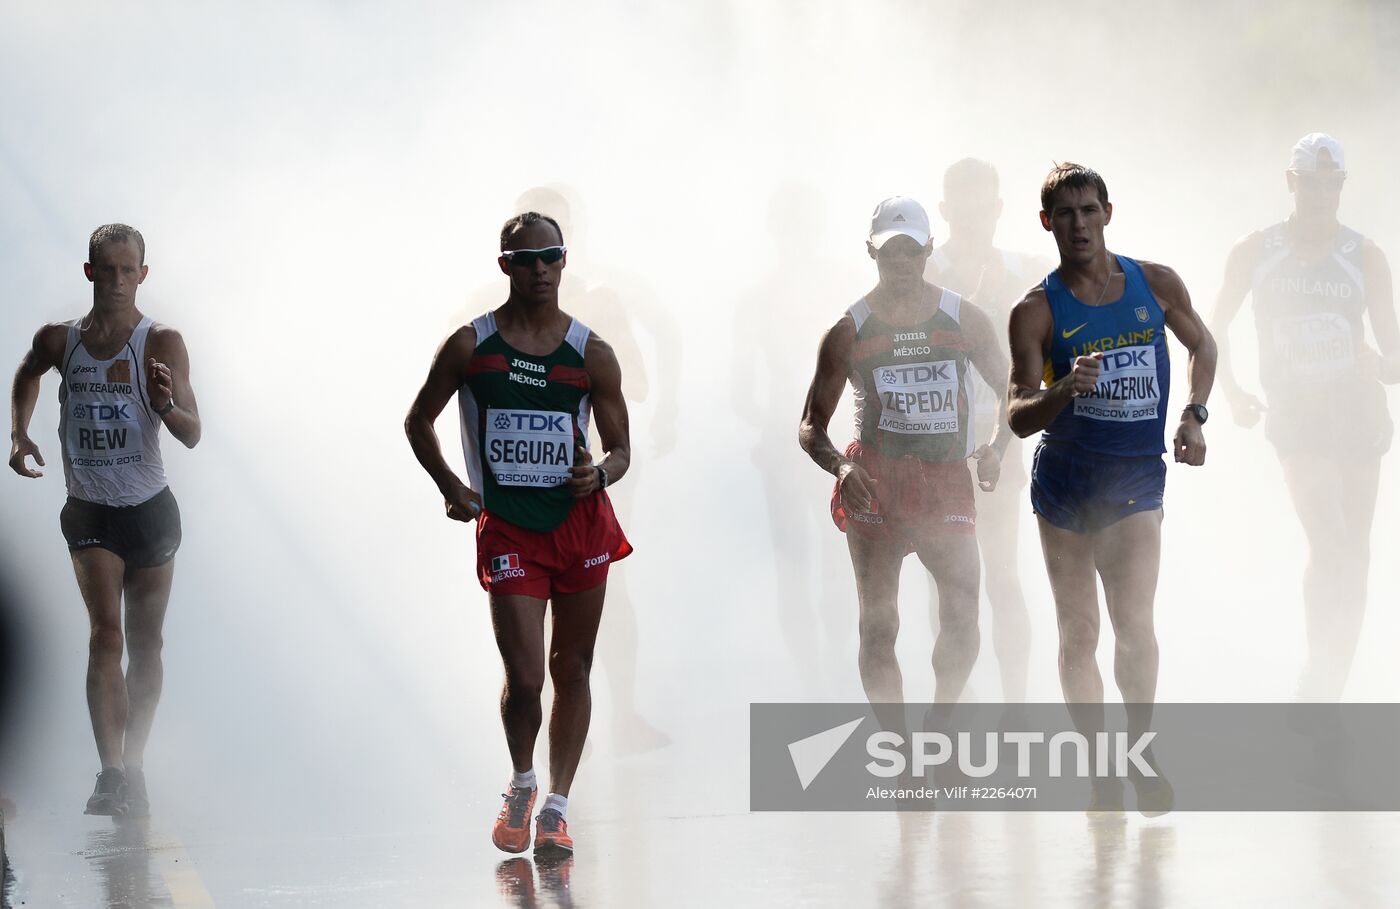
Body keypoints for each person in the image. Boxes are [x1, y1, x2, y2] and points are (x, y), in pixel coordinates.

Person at [405, 212, 632, 856]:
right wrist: (452, 486)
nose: (539, 269)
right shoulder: (469, 346)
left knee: (573, 668)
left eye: (550, 256)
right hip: (509, 530)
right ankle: (523, 780)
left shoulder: (591, 352)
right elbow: (418, 420)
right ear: (505, 265)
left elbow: (620, 449)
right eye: (526, 259)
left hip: (580, 527)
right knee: (528, 677)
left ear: (564, 262)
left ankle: (557, 807)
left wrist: (600, 474)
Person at [1006, 163, 1216, 814]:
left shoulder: (1155, 283)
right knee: (1079, 631)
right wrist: (1064, 388)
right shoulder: (1035, 310)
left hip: (1133, 478)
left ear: (1108, 213)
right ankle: (1100, 767)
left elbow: (1203, 344)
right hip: (1066, 484)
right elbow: (1017, 414)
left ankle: (1140, 750)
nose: (1079, 225)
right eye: (1066, 214)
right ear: (1047, 223)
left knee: (1134, 624)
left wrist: (1194, 414)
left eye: (1089, 210)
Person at [8, 224, 201, 817]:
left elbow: (192, 433)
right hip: (91, 510)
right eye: (107, 270)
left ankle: (135, 764)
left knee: (145, 644)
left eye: (128, 271)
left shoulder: (160, 341)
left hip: (150, 512)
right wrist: (18, 433)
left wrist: (165, 404)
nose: (118, 282)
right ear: (89, 272)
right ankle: (110, 772)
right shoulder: (60, 339)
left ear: (143, 275)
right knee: (105, 637)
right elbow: (28, 371)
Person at [799, 196, 1011, 707]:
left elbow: (1014, 392)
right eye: (890, 251)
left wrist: (997, 448)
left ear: (929, 250)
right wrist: (842, 467)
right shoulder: (848, 329)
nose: (901, 263)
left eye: (911, 251)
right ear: (871, 251)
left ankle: (940, 725)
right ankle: (898, 748)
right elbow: (810, 425)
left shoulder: (963, 319)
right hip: (875, 484)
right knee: (879, 624)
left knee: (962, 614)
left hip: (945, 480)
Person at [1211, 133, 1399, 701]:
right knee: (1330, 538)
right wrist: (1232, 392)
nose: (1321, 195)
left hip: (1356, 411)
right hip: (1297, 418)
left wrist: (1379, 365)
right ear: (1290, 182)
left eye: (1331, 184)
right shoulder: (1256, 249)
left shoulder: (1365, 255)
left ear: (1342, 186)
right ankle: (1318, 671)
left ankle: (1329, 690)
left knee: (1355, 553)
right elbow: (1213, 327)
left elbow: (1395, 356)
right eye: (1311, 184)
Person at [925, 158, 1054, 704]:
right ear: (945, 211)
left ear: (999, 209)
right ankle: (955, 701)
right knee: (946, 582)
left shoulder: (1027, 270)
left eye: (984, 209)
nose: (975, 220)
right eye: (964, 211)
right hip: (934, 448)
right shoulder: (921, 273)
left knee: (1002, 576)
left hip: (998, 441)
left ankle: (1015, 705)